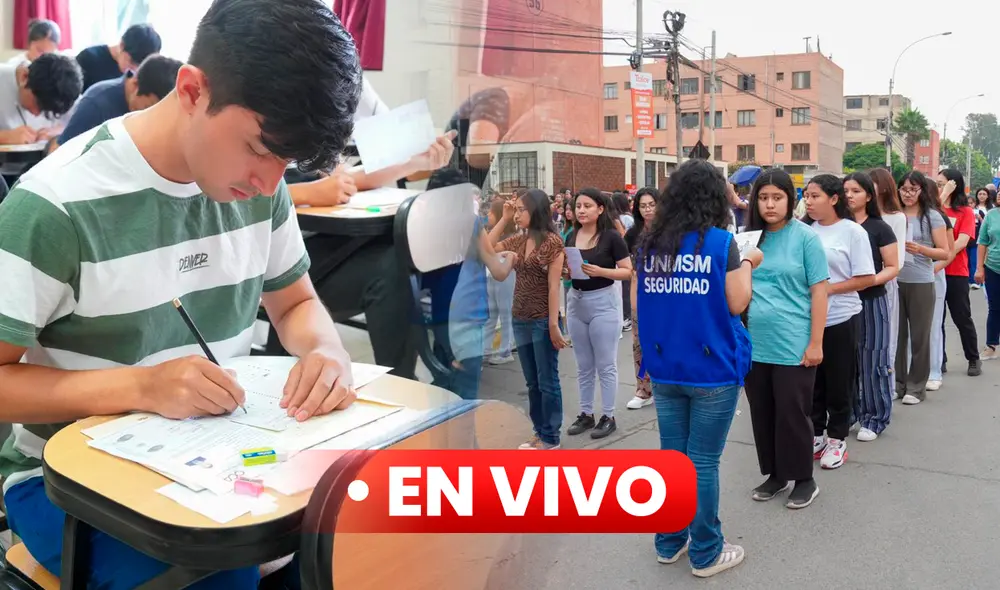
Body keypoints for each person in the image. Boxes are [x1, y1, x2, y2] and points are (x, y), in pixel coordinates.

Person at [0, 2, 365, 588]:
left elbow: (295, 304)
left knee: (361, 537)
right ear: (192, 90)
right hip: (63, 480)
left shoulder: (261, 190)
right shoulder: (54, 206)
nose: (270, 184)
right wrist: (140, 387)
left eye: (288, 164)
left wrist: (326, 351)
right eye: (259, 149)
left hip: (213, 457)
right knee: (223, 569)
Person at [634, 159, 758, 578]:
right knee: (702, 461)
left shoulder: (650, 245)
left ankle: (669, 542)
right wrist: (749, 263)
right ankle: (705, 551)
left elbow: (639, 305)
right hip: (711, 369)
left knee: (673, 457)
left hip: (666, 365)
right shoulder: (723, 244)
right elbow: (738, 303)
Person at [743, 169, 828, 509]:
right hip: (753, 342)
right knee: (762, 411)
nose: (770, 204)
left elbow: (819, 291)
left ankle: (804, 478)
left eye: (777, 197)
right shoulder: (747, 239)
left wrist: (816, 342)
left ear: (790, 201)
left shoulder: (806, 238)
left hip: (794, 341)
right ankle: (776, 474)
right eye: (763, 197)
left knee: (793, 413)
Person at [801, 175, 875, 469]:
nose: (808, 201)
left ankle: (837, 438)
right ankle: (816, 433)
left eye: (815, 196)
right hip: (808, 317)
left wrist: (826, 289)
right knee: (813, 381)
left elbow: (866, 278)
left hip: (842, 316)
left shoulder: (852, 232)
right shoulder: (804, 231)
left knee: (839, 381)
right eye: (806, 196)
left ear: (834, 199)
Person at [489, 189, 568, 450]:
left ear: (536, 210)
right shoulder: (518, 240)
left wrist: (554, 325)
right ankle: (539, 431)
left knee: (547, 380)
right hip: (520, 317)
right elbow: (488, 248)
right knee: (532, 382)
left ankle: (551, 437)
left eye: (522, 210)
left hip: (542, 319)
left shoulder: (552, 242)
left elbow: (554, 287)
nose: (518, 214)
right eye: (517, 210)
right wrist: (504, 218)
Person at [564, 188, 632, 439]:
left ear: (600, 209)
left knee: (605, 364)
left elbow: (627, 271)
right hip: (576, 301)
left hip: (604, 302)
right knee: (583, 365)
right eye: (578, 205)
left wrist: (601, 271)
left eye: (587, 206)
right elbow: (570, 266)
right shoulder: (571, 235)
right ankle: (585, 413)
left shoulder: (611, 237)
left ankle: (608, 415)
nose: (581, 210)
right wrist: (567, 273)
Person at [843, 172, 898, 441]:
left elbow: (893, 267)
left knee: (873, 358)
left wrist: (867, 281)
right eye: (845, 190)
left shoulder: (879, 228)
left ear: (868, 195)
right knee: (846, 360)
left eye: (855, 190)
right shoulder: (838, 226)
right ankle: (852, 412)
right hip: (842, 303)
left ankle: (875, 417)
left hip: (872, 300)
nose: (849, 195)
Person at [895, 171, 950, 405]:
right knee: (896, 337)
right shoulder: (894, 216)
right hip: (894, 281)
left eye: (913, 189)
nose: (908, 193)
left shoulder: (932, 217)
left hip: (921, 281)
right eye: (904, 189)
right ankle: (897, 384)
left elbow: (945, 251)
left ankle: (916, 387)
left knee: (920, 336)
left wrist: (921, 249)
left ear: (922, 191)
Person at [54, 54, 182, 149]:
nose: (151, 118)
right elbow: (63, 151)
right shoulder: (96, 104)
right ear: (135, 84)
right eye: (147, 107)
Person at [936, 168, 982, 377]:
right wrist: (942, 196)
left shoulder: (965, 212)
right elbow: (927, 216)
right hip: (934, 271)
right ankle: (940, 358)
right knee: (936, 319)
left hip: (955, 271)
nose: (939, 187)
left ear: (954, 184)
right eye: (937, 184)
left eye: (942, 183)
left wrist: (943, 260)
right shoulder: (935, 209)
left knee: (961, 317)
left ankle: (973, 358)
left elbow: (962, 242)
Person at [869, 167, 906, 401]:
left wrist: (873, 279)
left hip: (884, 282)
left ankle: (886, 387)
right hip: (856, 286)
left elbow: (897, 261)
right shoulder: (855, 216)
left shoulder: (896, 218)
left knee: (885, 339)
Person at [624, 187, 658, 410]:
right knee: (640, 344)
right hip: (640, 294)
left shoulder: (671, 232)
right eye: (643, 205)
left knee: (663, 343)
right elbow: (630, 270)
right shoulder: (632, 234)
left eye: (651, 205)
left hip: (666, 295)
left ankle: (663, 385)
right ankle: (643, 389)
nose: (647, 210)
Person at [0, 53, 81, 144]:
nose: (37, 114)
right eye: (38, 104)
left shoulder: (64, 89)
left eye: (46, 110)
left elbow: (86, 125)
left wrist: (60, 132)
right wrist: (4, 137)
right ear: (24, 77)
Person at [77, 23, 162, 92]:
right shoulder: (88, 59)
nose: (134, 70)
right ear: (121, 45)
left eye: (139, 66)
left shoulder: (144, 73)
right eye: (131, 62)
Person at [484, 197, 517, 365]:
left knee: (505, 312)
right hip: (491, 276)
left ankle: (506, 351)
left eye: (490, 212)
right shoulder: (490, 233)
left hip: (506, 276)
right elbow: (487, 246)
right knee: (491, 314)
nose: (488, 215)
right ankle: (485, 350)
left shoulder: (512, 237)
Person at [975, 204, 1000, 359]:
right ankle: (991, 345)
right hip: (992, 267)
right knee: (995, 307)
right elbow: (983, 242)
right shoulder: (991, 215)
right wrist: (979, 268)